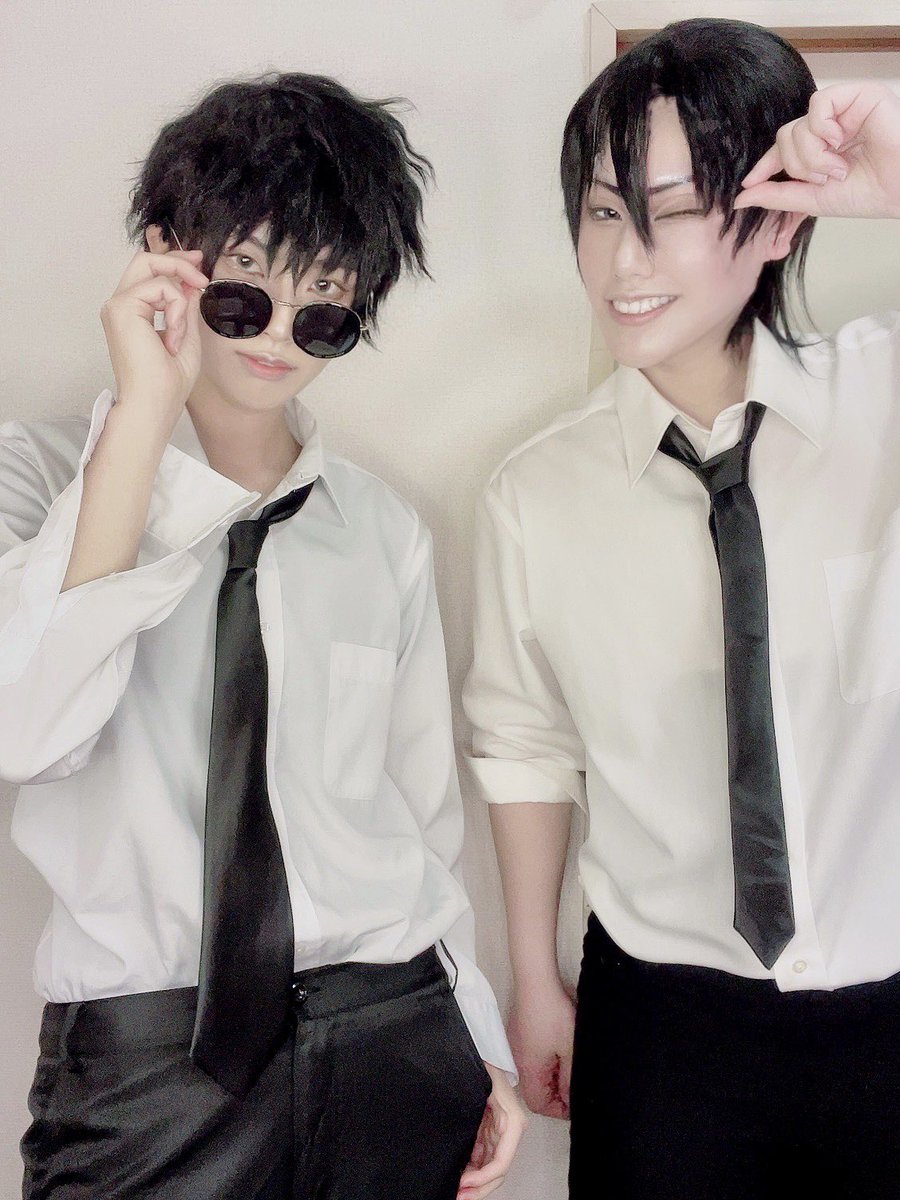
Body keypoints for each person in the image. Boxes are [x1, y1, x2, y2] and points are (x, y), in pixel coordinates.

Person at [0, 72, 525, 1200]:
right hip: (148, 1070)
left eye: (324, 307)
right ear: (165, 255)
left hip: (391, 1035)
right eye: (245, 291)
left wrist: (475, 1039)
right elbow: (23, 729)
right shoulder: (31, 482)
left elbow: (417, 818)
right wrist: (145, 415)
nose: (280, 337)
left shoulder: (380, 530)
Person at [463, 17, 900, 1200]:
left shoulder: (884, 402)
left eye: (676, 211)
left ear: (778, 220)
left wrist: (889, 173)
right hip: (664, 1023)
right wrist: (536, 979)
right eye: (603, 212)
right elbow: (524, 741)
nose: (625, 261)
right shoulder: (535, 493)